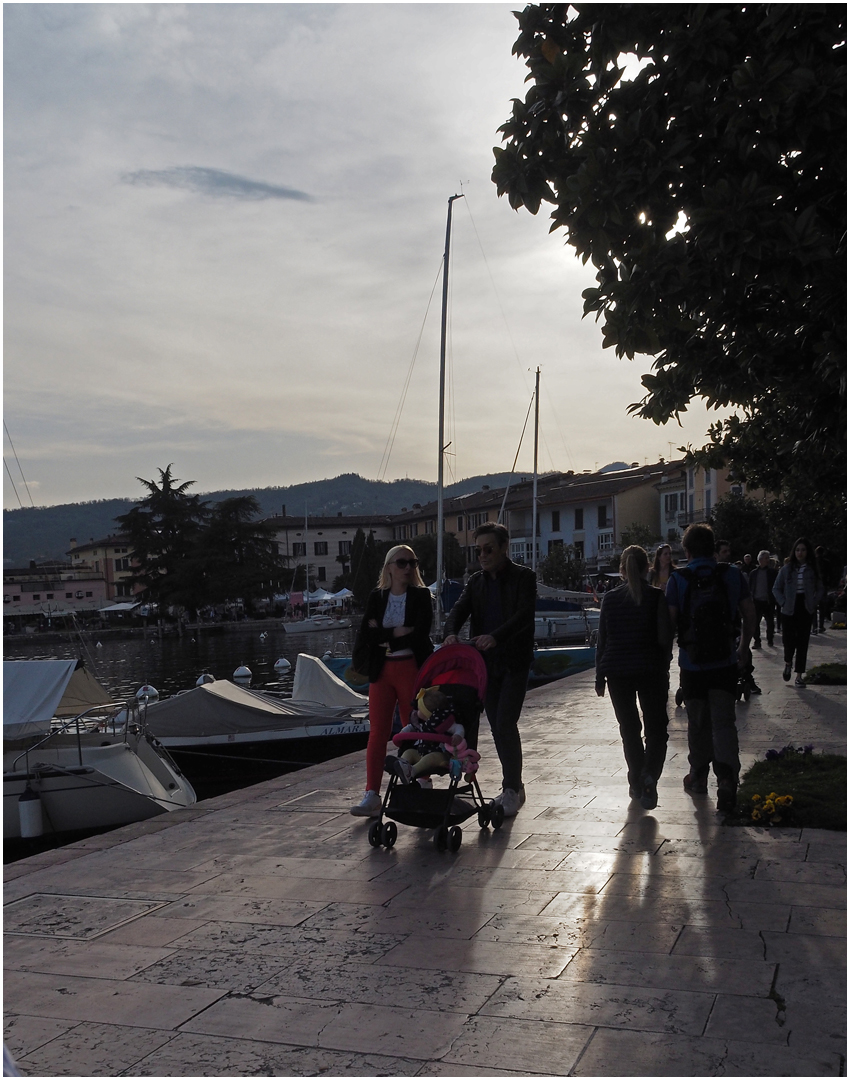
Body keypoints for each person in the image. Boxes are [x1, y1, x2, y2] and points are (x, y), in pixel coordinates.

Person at [443, 522, 536, 817]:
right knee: (496, 725)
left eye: (488, 549)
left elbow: (524, 615)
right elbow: (459, 608)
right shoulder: (476, 582)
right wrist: (450, 632)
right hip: (486, 667)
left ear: (504, 547)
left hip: (514, 662)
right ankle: (514, 787)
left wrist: (496, 636)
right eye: (479, 550)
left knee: (505, 722)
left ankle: (512, 788)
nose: (482, 555)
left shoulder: (524, 578)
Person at [667, 523, 755, 813]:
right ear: (714, 547)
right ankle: (727, 781)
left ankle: (699, 777)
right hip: (725, 662)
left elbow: (670, 624)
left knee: (698, 723)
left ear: (687, 549)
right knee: (724, 723)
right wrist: (743, 648)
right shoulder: (732, 575)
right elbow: (749, 615)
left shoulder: (678, 579)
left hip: (692, 665)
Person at [349, 545, 433, 816]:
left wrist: (386, 634)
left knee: (414, 729)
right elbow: (367, 635)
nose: (408, 568)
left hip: (411, 668)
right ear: (388, 568)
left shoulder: (422, 596)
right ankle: (371, 794)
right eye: (401, 563)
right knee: (378, 732)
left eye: (412, 562)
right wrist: (400, 630)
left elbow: (420, 634)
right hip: (381, 671)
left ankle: (422, 782)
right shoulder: (377, 596)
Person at [595, 545, 673, 810]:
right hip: (650, 670)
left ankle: (635, 780)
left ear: (622, 569)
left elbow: (602, 641)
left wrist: (599, 676)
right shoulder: (655, 597)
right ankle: (649, 775)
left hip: (617, 672)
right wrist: (665, 664)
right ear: (647, 568)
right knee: (656, 728)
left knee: (629, 729)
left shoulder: (610, 598)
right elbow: (664, 638)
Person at [387, 686, 479, 783]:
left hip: (441, 756)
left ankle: (412, 771)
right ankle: (402, 764)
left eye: (420, 710)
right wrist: (402, 734)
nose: (416, 712)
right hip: (421, 752)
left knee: (431, 758)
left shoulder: (444, 724)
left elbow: (458, 727)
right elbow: (410, 727)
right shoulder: (420, 723)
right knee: (409, 752)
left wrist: (458, 735)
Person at [772, 537, 824, 688]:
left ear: (808, 552)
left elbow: (820, 588)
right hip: (789, 608)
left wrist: (814, 602)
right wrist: (783, 602)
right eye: (797, 550)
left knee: (802, 642)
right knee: (788, 641)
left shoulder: (812, 569)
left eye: (803, 550)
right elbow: (776, 588)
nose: (800, 553)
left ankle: (799, 675)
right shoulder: (787, 569)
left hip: (805, 607)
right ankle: (788, 662)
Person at [749, 550, 778, 648]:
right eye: (766, 558)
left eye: (768, 558)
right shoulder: (753, 573)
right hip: (756, 601)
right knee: (755, 622)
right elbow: (750, 586)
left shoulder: (772, 572)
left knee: (770, 622)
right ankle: (757, 641)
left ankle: (770, 639)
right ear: (760, 559)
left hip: (768, 601)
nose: (768, 560)